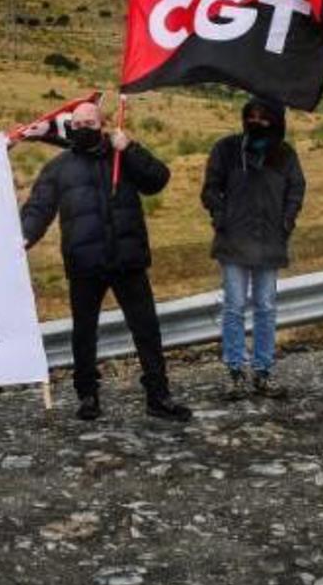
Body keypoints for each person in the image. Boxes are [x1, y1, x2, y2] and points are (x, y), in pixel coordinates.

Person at [18, 100, 192, 422]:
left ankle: (159, 395)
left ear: (103, 124)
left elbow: (158, 180)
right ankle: (87, 396)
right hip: (85, 263)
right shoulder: (58, 167)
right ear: (71, 127)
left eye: (91, 124)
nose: (84, 129)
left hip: (128, 260)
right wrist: (25, 237)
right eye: (79, 125)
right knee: (84, 334)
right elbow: (38, 209)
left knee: (147, 330)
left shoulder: (121, 155)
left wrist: (131, 149)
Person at [201, 98, 307, 402]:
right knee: (233, 306)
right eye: (252, 116)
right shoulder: (226, 149)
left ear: (275, 120)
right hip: (233, 241)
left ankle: (263, 371)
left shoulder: (285, 155)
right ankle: (235, 371)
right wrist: (222, 218)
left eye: (263, 117)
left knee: (266, 307)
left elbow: (297, 189)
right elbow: (210, 189)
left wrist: (286, 222)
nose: (256, 122)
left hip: (270, 241)